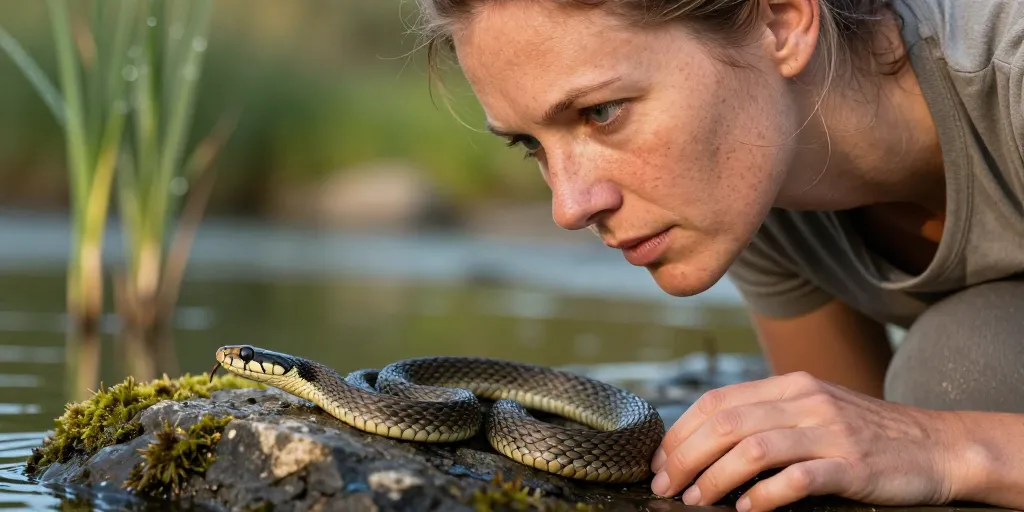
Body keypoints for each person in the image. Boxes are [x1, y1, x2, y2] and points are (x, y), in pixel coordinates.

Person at [410, 0, 1024, 509]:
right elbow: (841, 454)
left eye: (602, 112)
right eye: (531, 145)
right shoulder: (753, 180)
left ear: (780, 21)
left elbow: (916, 439)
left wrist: (948, 446)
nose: (569, 207)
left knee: (960, 365)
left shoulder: (1010, 68)